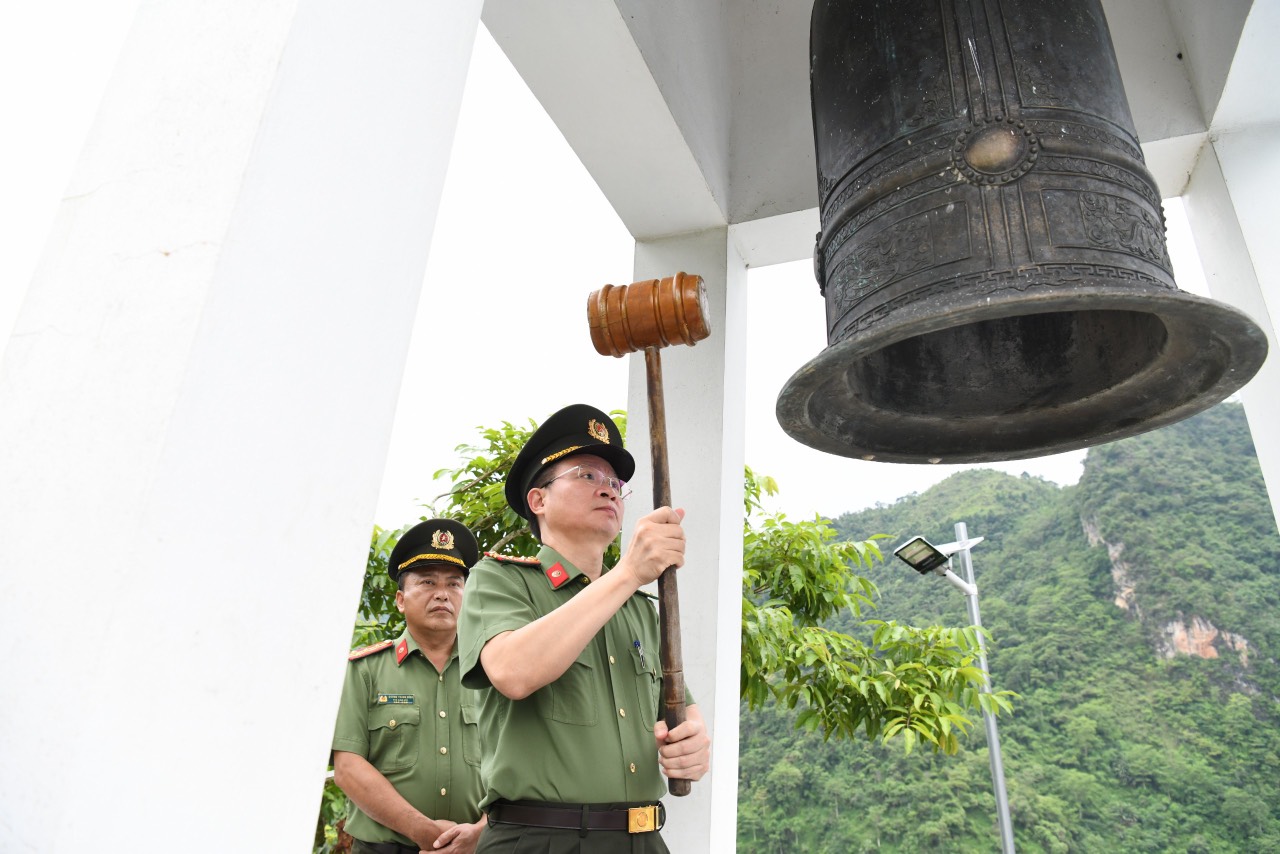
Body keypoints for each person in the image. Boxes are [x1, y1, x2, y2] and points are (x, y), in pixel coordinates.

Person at [457, 403, 711, 852]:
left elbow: (678, 707)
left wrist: (693, 741)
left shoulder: (639, 609)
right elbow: (513, 672)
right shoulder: (500, 580)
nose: (609, 490)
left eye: (615, 483)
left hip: (643, 839)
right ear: (538, 500)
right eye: (587, 475)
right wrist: (628, 572)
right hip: (541, 840)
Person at [332, 518, 487, 854]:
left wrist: (481, 831)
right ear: (401, 600)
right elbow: (347, 768)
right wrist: (422, 830)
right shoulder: (364, 671)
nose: (442, 594)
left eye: (454, 584)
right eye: (427, 582)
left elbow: (517, 765)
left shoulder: (490, 671)